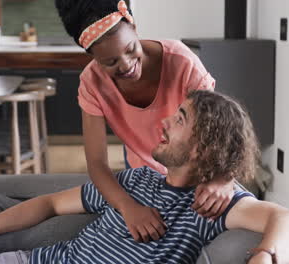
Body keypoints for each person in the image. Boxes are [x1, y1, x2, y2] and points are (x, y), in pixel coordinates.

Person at [0, 90, 289, 264]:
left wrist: (265, 257)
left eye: (179, 120)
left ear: (203, 148)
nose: (164, 121)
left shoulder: (212, 206)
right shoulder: (135, 181)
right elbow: (50, 203)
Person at [55, 0, 235, 242]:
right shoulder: (92, 83)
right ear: (93, 57)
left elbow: (219, 130)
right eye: (110, 62)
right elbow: (97, 163)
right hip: (141, 181)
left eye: (130, 49)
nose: (126, 65)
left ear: (134, 26)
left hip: (194, 175)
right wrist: (128, 207)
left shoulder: (182, 61)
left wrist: (223, 178)